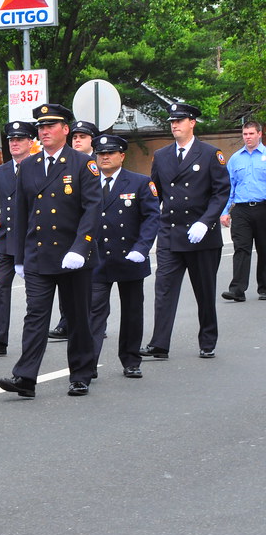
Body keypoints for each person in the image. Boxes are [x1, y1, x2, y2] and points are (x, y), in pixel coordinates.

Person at [0, 103, 101, 398]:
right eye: (40, 127)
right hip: (38, 256)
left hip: (73, 257)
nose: (43, 131)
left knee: (77, 316)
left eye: (50, 126)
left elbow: (92, 209)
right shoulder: (28, 165)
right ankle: (25, 377)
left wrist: (81, 248)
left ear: (65, 130)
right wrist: (19, 256)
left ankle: (80, 374)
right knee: (35, 316)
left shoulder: (82, 164)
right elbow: (20, 213)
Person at [141, 103, 230, 359]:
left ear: (192, 123)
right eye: (172, 121)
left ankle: (207, 340)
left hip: (201, 235)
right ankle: (159, 344)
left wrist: (206, 221)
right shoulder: (162, 156)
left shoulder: (210, 154)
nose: (174, 125)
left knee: (204, 291)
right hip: (170, 232)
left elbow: (220, 192)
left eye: (180, 120)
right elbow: (154, 194)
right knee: (164, 290)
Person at [89, 134, 160, 379]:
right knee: (94, 313)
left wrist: (142, 248)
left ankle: (131, 360)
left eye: (110, 153)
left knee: (132, 312)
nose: (105, 157)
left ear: (122, 155)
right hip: (97, 259)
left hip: (129, 257)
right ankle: (88, 364)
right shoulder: (87, 182)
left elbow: (151, 218)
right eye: (100, 153)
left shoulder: (139, 182)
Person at [0, 120, 37, 357]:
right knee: (2, 288)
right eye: (11, 140)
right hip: (7, 239)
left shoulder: (39, 166)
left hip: (32, 239)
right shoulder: (1, 171)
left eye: (19, 139)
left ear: (30, 142)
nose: (14, 143)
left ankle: (33, 337)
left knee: (36, 291)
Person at [48, 119, 100, 340]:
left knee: (90, 288)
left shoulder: (97, 162)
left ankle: (92, 322)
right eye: (75, 137)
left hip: (94, 235)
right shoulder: (64, 163)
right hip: (68, 236)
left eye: (83, 137)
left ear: (92, 142)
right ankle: (66, 320)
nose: (77, 141)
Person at [220, 120, 266, 302]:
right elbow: (228, 187)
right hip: (241, 210)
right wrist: (224, 211)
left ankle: (264, 288)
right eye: (245, 134)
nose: (247, 137)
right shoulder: (235, 159)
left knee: (264, 249)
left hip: (263, 208)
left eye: (251, 134)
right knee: (241, 249)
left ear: (259, 134)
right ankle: (237, 289)